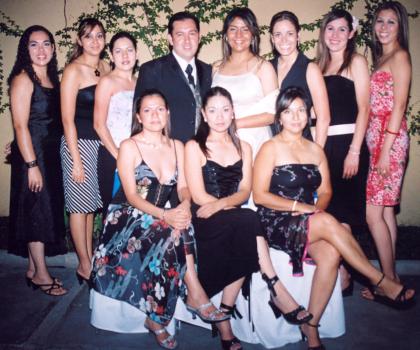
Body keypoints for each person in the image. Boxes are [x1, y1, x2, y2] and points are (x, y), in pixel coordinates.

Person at [253, 87, 415, 350]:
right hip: (276, 220)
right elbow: (259, 196)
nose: (295, 117)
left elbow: (326, 191)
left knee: (329, 253)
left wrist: (315, 209)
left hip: (309, 219)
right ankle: (380, 281)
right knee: (332, 223)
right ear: (279, 117)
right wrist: (301, 207)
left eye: (301, 110)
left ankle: (311, 326)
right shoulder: (269, 148)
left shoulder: (316, 150)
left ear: (309, 115)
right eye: (288, 111)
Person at [91, 89, 228, 349]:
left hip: (158, 214)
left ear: (167, 113)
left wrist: (185, 206)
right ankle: (195, 297)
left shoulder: (177, 146)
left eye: (159, 109)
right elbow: (131, 195)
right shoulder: (129, 146)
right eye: (147, 110)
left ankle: (157, 318)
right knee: (171, 229)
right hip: (125, 218)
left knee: (181, 227)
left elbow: (183, 188)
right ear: (139, 117)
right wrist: (167, 214)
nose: (154, 115)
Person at [185, 87, 312, 350]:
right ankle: (275, 287)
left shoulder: (244, 146)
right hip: (205, 217)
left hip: (234, 214)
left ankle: (224, 319)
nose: (220, 116)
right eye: (213, 110)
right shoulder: (193, 146)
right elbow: (197, 194)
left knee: (246, 224)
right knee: (248, 222)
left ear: (233, 113)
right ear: (203, 115)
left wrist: (226, 205)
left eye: (225, 109)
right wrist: (226, 207)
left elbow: (245, 191)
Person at [8, 25, 67, 296]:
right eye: (34, 44)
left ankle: (33, 269)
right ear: (25, 49)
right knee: (37, 212)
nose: (41, 50)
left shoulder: (53, 79)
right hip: (35, 156)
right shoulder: (23, 78)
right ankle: (42, 275)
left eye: (46, 44)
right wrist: (31, 165)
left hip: (50, 154)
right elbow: (20, 126)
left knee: (40, 209)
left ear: (53, 49)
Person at [316, 9, 370, 296]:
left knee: (345, 216)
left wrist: (355, 150)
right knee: (330, 214)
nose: (335, 35)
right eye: (330, 29)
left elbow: (365, 109)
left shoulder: (356, 63)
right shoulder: (317, 66)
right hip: (324, 148)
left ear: (351, 33)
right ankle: (343, 275)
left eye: (341, 29)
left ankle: (352, 277)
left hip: (348, 145)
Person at [364, 1, 411, 300]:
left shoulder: (400, 57)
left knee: (373, 216)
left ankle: (388, 284)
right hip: (380, 142)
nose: (383, 27)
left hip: (389, 144)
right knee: (387, 215)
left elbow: (399, 106)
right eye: (379, 21)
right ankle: (391, 278)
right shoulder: (383, 58)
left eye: (390, 22)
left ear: (400, 27)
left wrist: (384, 151)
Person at [60, 18, 110, 285]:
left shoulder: (105, 67)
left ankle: (88, 257)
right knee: (79, 207)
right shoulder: (73, 71)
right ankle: (83, 264)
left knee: (91, 206)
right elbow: (67, 119)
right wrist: (76, 161)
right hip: (77, 144)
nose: (94, 41)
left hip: (99, 144)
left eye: (99, 35)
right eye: (88, 36)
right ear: (80, 40)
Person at [134, 11, 212, 144]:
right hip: (167, 152)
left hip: (203, 151)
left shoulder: (208, 71)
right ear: (170, 39)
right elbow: (139, 115)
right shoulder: (152, 70)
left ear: (199, 37)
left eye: (192, 33)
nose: (187, 40)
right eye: (180, 34)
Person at [212, 7, 278, 157]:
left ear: (253, 34)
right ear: (226, 35)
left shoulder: (263, 67)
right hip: (222, 142)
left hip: (255, 140)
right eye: (233, 29)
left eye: (245, 29)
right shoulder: (216, 68)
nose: (239, 35)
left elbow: (272, 114)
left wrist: (234, 124)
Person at [269, 11, 330, 146]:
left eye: (290, 34)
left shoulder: (310, 69)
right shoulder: (267, 68)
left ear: (298, 36)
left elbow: (324, 118)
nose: (284, 40)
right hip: (273, 146)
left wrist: (317, 155)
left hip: (301, 147)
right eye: (278, 35)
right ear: (272, 39)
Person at [94, 31, 137, 214]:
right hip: (113, 156)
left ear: (136, 53)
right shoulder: (107, 82)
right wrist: (119, 157)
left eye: (129, 50)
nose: (125, 56)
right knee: (114, 212)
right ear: (111, 55)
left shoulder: (140, 82)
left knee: (135, 213)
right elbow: (98, 124)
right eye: (119, 51)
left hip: (136, 156)